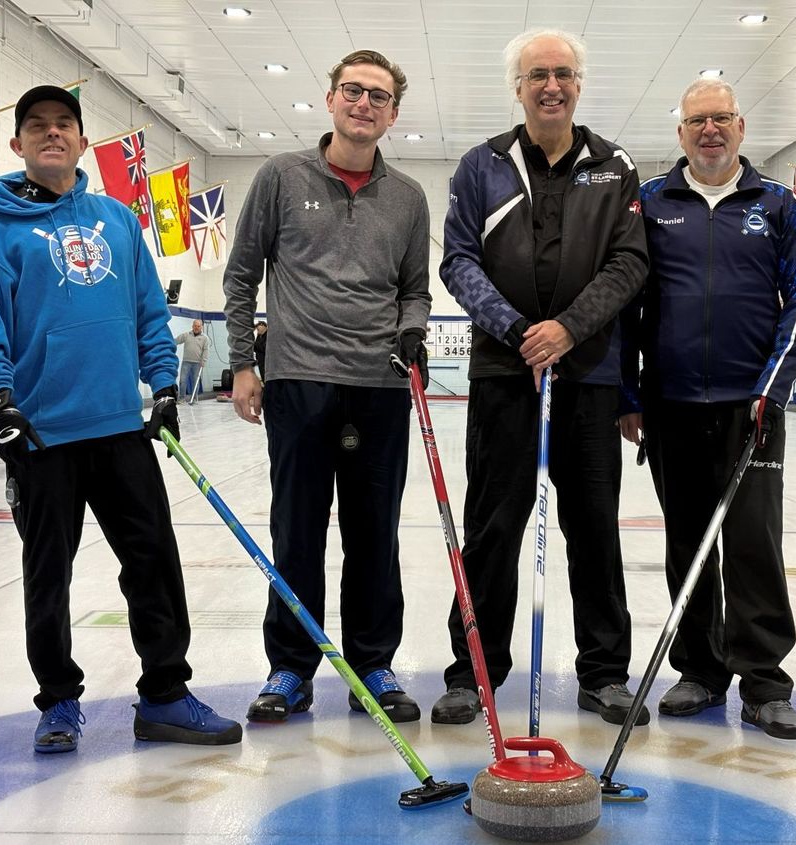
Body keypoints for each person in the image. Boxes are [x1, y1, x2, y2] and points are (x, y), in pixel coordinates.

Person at [0, 85, 242, 753]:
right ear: (18, 144)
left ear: (83, 141)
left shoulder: (117, 220)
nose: (52, 133)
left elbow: (147, 312)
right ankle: (58, 701)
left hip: (119, 429)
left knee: (153, 563)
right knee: (48, 575)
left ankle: (165, 695)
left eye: (64, 123)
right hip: (41, 435)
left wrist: (163, 385)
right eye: (37, 125)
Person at [433, 29, 649, 727]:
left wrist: (568, 330)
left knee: (594, 529)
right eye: (537, 76)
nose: (551, 86)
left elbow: (629, 263)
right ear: (518, 87)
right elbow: (458, 260)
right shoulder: (481, 165)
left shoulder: (615, 167)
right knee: (492, 528)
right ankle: (473, 672)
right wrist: (518, 331)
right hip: (505, 374)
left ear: (578, 84)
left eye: (563, 74)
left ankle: (605, 674)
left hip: (588, 378)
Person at [223, 50, 431, 724]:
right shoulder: (281, 176)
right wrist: (243, 363)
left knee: (375, 535)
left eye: (378, 96)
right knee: (297, 530)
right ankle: (291, 666)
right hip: (298, 382)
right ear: (331, 98)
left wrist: (412, 330)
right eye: (353, 90)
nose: (364, 103)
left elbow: (415, 290)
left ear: (393, 114)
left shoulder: (408, 197)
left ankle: (373, 664)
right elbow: (241, 274)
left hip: (379, 387)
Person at [619, 78, 796, 740]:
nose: (710, 130)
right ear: (680, 132)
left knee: (754, 542)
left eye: (721, 118)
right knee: (689, 542)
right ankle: (700, 671)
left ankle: (764, 682)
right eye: (697, 120)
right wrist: (629, 394)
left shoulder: (778, 204)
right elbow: (625, 302)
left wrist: (774, 387)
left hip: (751, 406)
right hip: (671, 405)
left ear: (740, 128)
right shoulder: (651, 202)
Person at [174, 318, 210, 402]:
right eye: (195, 326)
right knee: (182, 380)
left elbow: (206, 350)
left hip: (198, 363)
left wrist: (204, 361)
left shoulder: (205, 338)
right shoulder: (186, 335)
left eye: (198, 326)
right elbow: (175, 341)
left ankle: (194, 398)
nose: (196, 327)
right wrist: (168, 344)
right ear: (192, 326)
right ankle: (182, 398)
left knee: (195, 382)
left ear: (201, 327)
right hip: (186, 362)